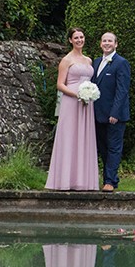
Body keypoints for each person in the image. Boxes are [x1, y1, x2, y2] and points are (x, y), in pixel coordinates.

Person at [45, 27, 99, 190]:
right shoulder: (66, 60)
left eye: (81, 37)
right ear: (70, 40)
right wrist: (76, 94)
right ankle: (64, 180)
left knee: (84, 138)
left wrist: (89, 94)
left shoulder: (89, 60)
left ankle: (83, 181)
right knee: (70, 137)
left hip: (86, 104)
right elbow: (60, 84)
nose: (79, 40)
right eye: (76, 38)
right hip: (71, 102)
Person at [92, 31, 131, 192]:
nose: (107, 43)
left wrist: (114, 113)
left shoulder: (121, 63)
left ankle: (109, 181)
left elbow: (122, 90)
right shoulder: (95, 62)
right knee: (103, 149)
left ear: (116, 44)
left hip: (115, 115)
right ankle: (111, 178)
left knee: (114, 148)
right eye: (104, 41)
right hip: (97, 114)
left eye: (110, 41)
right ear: (100, 44)